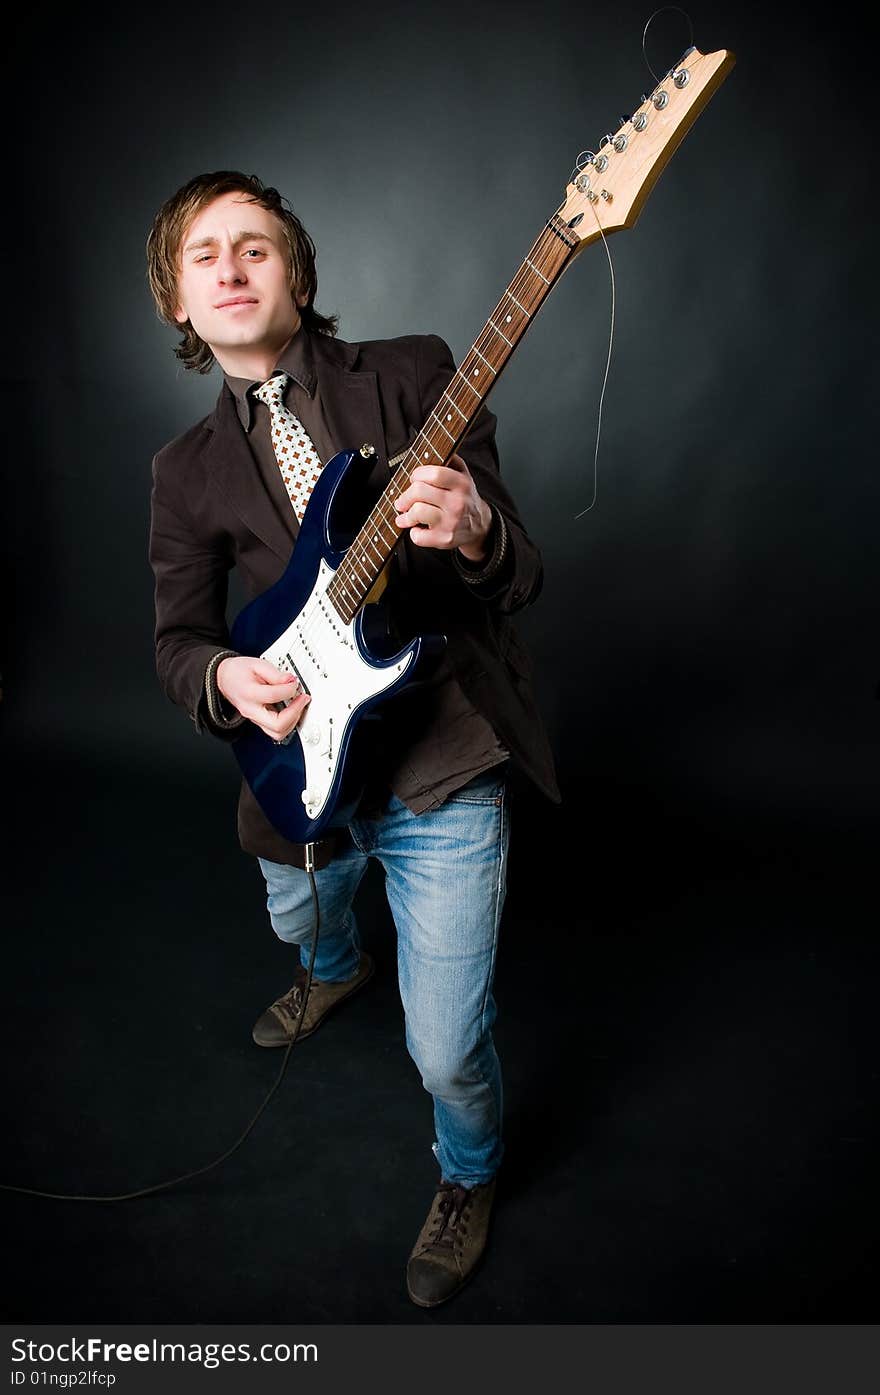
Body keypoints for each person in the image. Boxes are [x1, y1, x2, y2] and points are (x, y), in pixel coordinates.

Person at [146, 171, 558, 1308]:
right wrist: (228, 672)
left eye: (255, 248)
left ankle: (467, 1175)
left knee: (444, 1056)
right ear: (176, 302)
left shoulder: (418, 372)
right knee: (300, 912)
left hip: (439, 766)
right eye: (203, 256)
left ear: (298, 273)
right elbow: (178, 641)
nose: (230, 268)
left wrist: (474, 532)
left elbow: (518, 567)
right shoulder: (183, 474)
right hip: (297, 762)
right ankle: (333, 969)